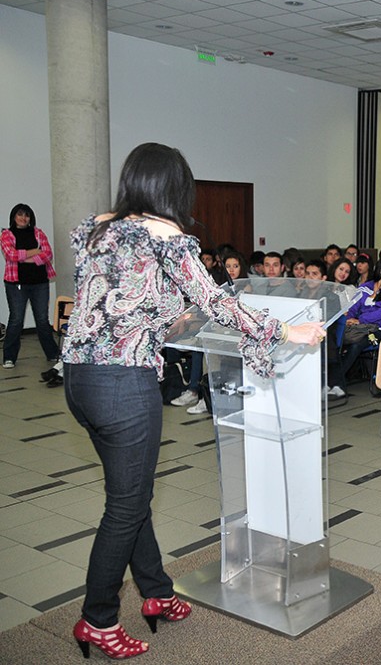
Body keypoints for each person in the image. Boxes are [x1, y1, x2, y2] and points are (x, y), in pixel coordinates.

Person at [61, 143, 325, 660]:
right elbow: (216, 300)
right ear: (174, 188)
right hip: (123, 384)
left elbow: (111, 305)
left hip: (79, 378)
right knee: (125, 507)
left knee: (131, 496)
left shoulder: (97, 228)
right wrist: (284, 331)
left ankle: (156, 592)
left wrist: (166, 320)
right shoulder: (166, 235)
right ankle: (97, 619)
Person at [327, 257, 381, 400]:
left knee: (357, 345)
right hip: (361, 328)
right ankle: (335, 383)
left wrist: (360, 320)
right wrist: (349, 320)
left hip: (380, 330)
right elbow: (353, 307)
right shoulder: (365, 287)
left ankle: (334, 383)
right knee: (336, 341)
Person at [2, 203, 61, 368]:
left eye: (26, 215)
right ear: (14, 217)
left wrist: (24, 257)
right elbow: (10, 254)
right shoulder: (6, 234)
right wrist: (35, 252)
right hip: (16, 284)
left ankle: (53, 354)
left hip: (40, 283)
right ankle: (9, 357)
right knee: (16, 320)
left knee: (42, 320)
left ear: (30, 218)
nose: (23, 218)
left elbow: (48, 254)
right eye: (20, 214)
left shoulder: (38, 233)